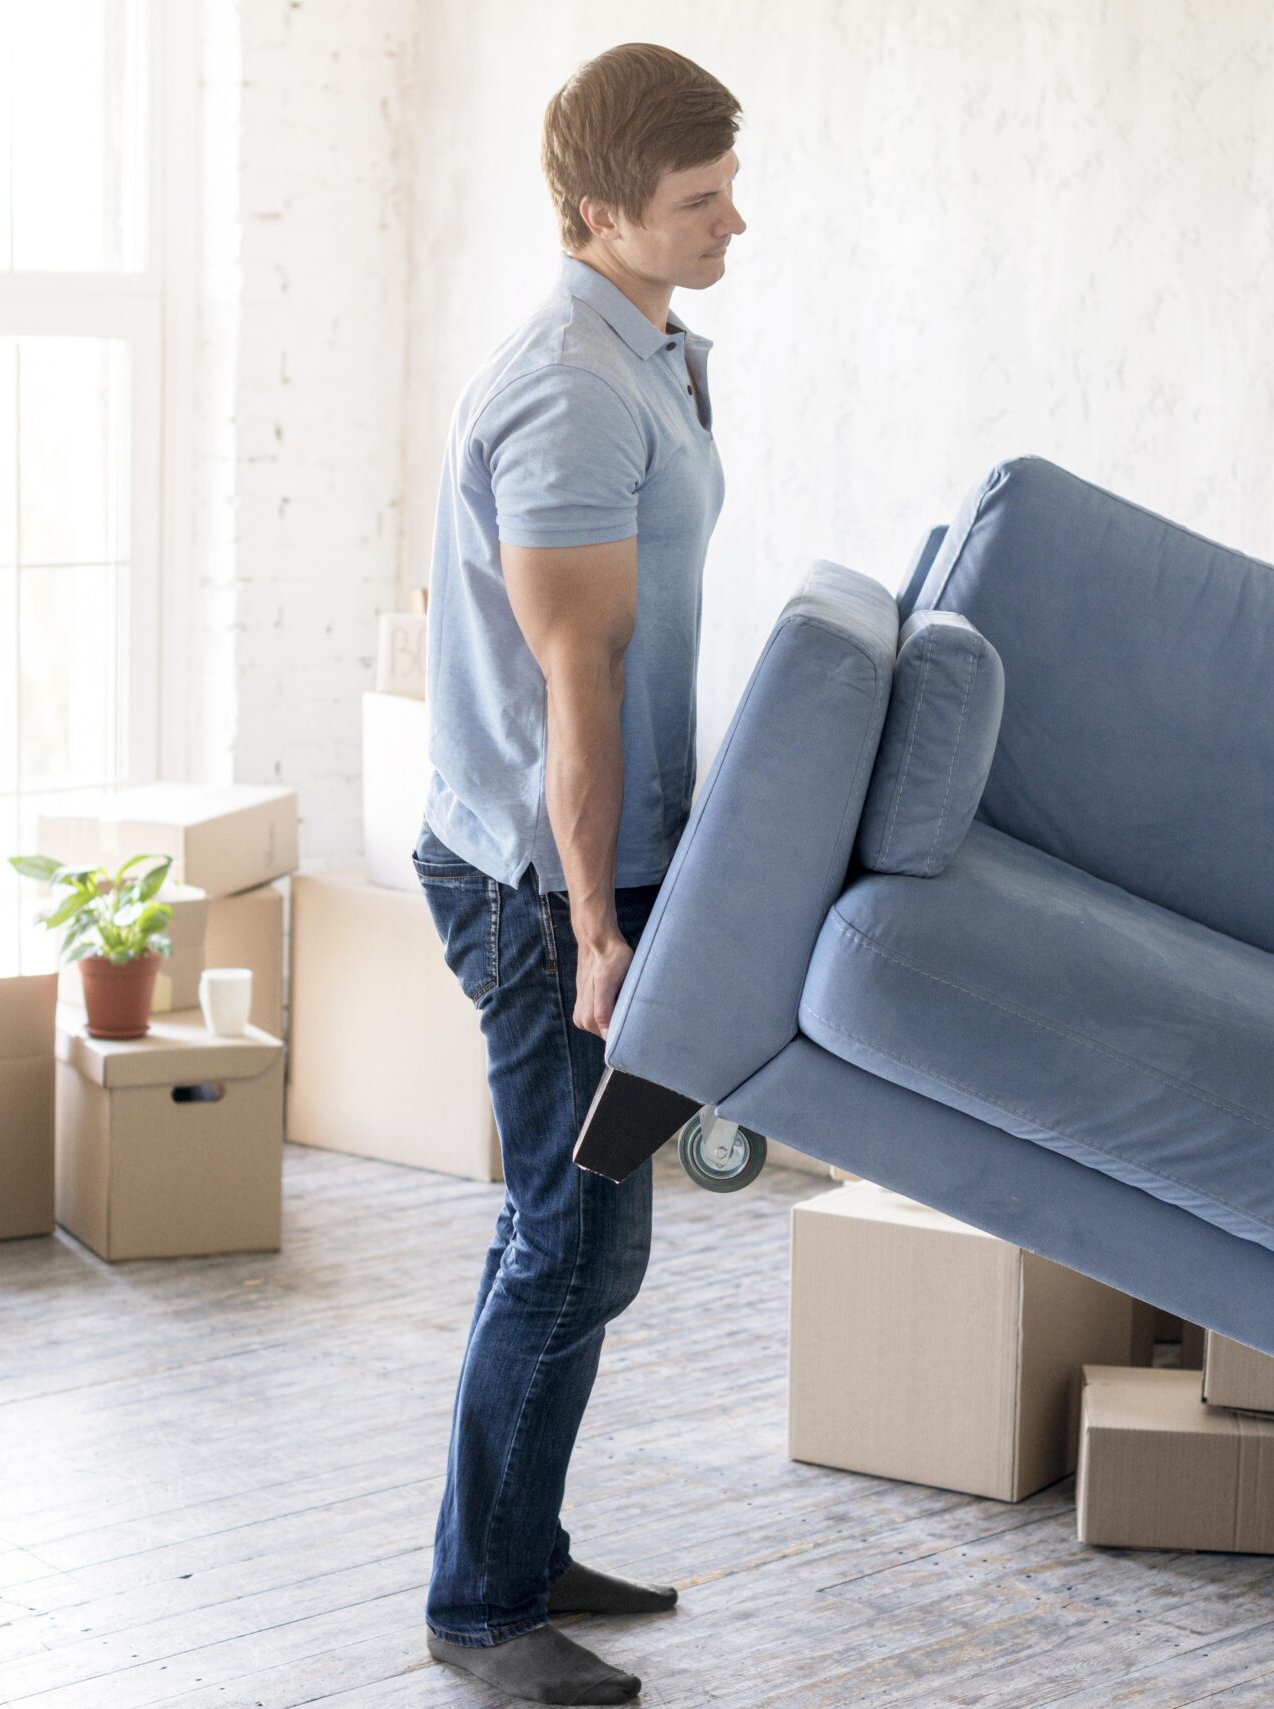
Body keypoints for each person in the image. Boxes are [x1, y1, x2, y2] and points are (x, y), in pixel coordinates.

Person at [412, 40, 745, 1708]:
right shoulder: (568, 389)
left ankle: (521, 1549)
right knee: (573, 1241)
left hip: (602, 864)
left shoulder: (653, 352)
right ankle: (482, 1606)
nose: (732, 221)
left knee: (570, 1232)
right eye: (698, 200)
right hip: (541, 884)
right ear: (602, 214)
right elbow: (578, 680)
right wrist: (598, 926)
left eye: (732, 187)